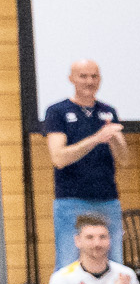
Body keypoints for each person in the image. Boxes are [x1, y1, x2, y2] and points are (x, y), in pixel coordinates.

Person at [43, 59, 129, 269]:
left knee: (115, 262)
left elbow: (125, 160)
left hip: (107, 199)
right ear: (71, 79)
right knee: (68, 262)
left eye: (94, 76)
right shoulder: (57, 111)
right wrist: (96, 138)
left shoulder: (108, 111)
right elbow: (59, 158)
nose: (89, 81)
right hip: (71, 200)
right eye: (83, 76)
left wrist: (116, 139)